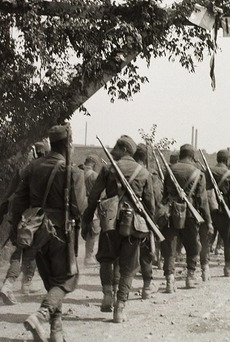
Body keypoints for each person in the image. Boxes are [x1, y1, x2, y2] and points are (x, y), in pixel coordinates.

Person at [10, 125, 86, 342]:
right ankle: (41, 315)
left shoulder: (32, 167)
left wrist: (17, 231)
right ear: (68, 143)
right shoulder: (72, 172)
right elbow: (79, 208)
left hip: (35, 232)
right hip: (61, 233)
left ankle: (56, 328)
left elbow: (18, 201)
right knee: (67, 279)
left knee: (51, 280)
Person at [82, 135, 154, 323]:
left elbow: (93, 198)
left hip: (109, 221)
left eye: (116, 147)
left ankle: (107, 295)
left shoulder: (107, 169)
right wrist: (149, 228)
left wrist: (86, 220)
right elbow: (150, 205)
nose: (113, 150)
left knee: (106, 259)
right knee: (128, 267)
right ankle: (120, 308)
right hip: (133, 225)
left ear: (124, 150)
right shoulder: (144, 173)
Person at [0, 141, 48, 305]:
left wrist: (1, 214)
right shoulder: (51, 170)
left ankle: (10, 284)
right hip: (41, 218)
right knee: (32, 252)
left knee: (19, 251)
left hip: (22, 219)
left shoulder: (23, 171)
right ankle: (26, 284)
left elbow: (10, 195)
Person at [159, 144, 212, 292]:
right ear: (193, 156)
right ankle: (190, 277)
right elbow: (203, 201)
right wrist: (208, 221)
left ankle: (170, 280)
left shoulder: (170, 170)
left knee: (170, 247)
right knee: (192, 245)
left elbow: (164, 196)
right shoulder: (198, 172)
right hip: (190, 213)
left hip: (171, 212)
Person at [204, 149, 230, 276]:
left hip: (209, 210)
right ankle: (227, 267)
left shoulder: (207, 172)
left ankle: (205, 268)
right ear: (228, 160)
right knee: (228, 240)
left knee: (207, 239)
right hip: (225, 212)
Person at [132, 144, 159, 298]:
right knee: (146, 254)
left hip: (121, 217)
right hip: (142, 219)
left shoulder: (122, 169)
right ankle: (147, 287)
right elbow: (154, 197)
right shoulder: (149, 174)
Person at [82, 154, 101, 267]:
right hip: (91, 204)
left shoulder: (79, 172)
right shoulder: (94, 176)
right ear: (94, 164)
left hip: (80, 203)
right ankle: (88, 257)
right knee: (93, 231)